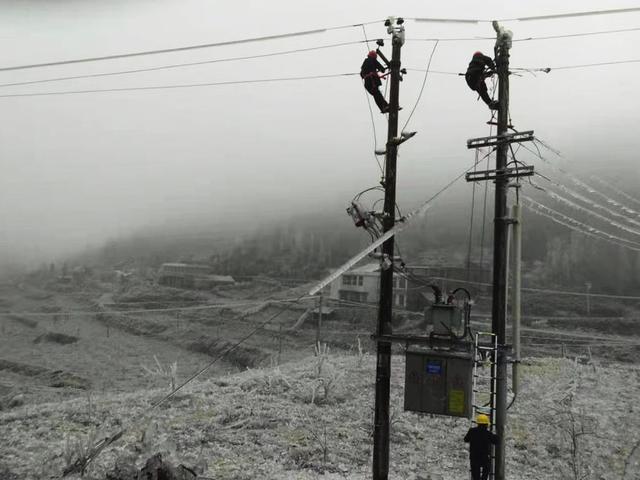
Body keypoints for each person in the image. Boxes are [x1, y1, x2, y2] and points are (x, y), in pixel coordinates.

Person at [464, 414, 499, 480]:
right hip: (484, 457)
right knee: (485, 473)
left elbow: (466, 439)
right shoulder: (488, 434)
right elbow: (496, 441)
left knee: (476, 476)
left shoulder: (472, 431)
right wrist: (495, 434)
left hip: (474, 457)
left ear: (478, 423)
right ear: (486, 424)